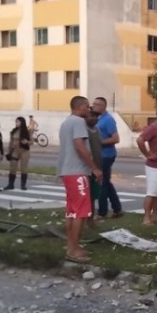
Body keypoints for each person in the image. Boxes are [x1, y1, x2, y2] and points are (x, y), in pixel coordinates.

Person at [58, 96, 102, 263]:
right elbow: (80, 146)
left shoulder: (66, 122)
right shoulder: (78, 122)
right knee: (82, 212)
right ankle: (74, 249)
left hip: (67, 172)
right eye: (87, 106)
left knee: (71, 211)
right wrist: (94, 168)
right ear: (81, 107)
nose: (89, 110)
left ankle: (71, 246)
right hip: (77, 172)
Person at [93, 97, 124, 219]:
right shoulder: (96, 119)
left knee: (102, 183)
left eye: (97, 104)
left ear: (103, 106)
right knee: (106, 182)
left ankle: (102, 212)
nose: (94, 106)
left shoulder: (108, 120)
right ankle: (117, 208)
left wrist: (99, 142)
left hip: (106, 155)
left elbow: (115, 138)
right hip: (99, 155)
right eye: (93, 103)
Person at [85, 110, 103, 228]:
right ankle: (84, 220)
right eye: (91, 115)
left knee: (93, 196)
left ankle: (90, 220)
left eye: (96, 116)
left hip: (97, 167)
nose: (94, 118)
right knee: (85, 196)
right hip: (86, 168)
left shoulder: (97, 130)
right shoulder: (83, 129)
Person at [3, 116, 32, 191]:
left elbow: (32, 141)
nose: (16, 123)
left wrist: (27, 142)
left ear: (22, 122)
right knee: (13, 167)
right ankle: (10, 184)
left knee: (23, 168)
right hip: (15, 150)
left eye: (18, 122)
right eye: (16, 122)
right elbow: (11, 142)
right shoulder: (13, 131)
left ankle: (23, 185)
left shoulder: (27, 131)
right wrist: (9, 151)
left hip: (24, 150)